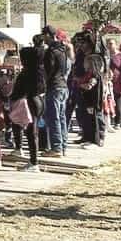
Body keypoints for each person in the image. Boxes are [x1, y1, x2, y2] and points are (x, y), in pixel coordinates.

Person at [10, 46, 46, 171]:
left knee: (31, 132)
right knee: (33, 131)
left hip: (29, 102)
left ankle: (34, 162)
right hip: (39, 101)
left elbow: (19, 90)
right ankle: (32, 159)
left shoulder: (27, 73)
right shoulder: (40, 71)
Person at [41, 26, 69, 158]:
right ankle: (62, 146)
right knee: (62, 118)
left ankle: (56, 147)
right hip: (63, 86)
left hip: (54, 86)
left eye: (43, 35)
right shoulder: (62, 50)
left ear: (48, 35)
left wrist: (44, 82)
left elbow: (49, 70)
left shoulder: (51, 51)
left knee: (54, 118)